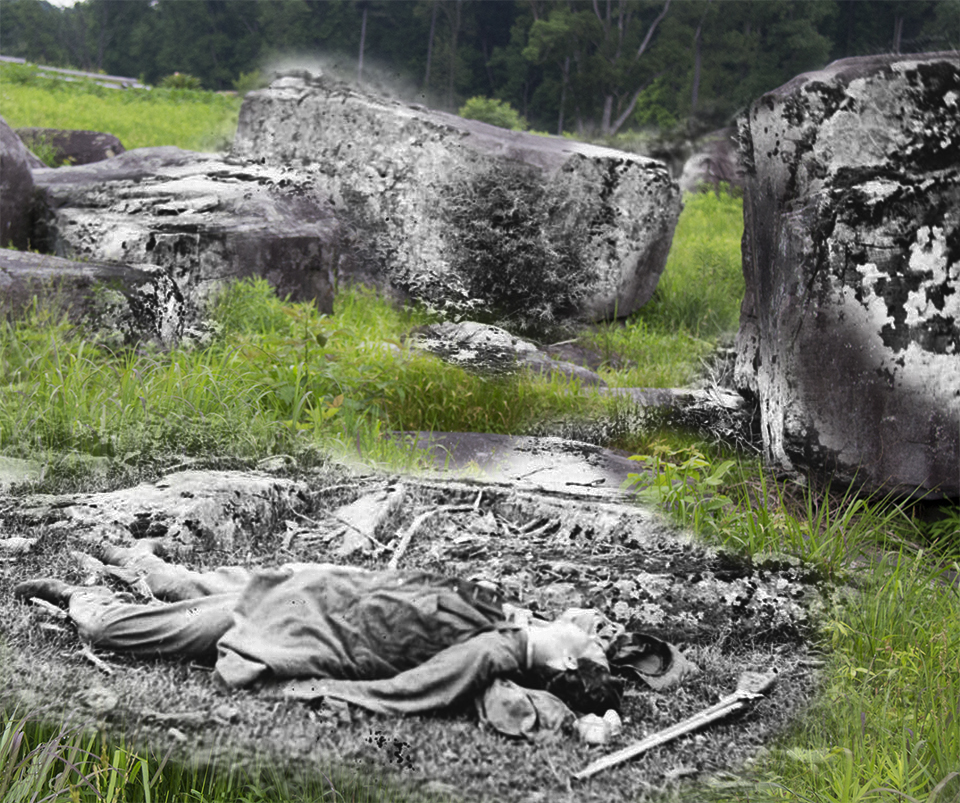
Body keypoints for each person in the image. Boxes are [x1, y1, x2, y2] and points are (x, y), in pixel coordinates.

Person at [14, 539, 634, 732]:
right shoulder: (509, 614)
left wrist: (317, 691)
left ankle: (80, 595)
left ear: (561, 660)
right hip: (313, 589)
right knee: (185, 582)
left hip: (296, 627)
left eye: (591, 644)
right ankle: (131, 557)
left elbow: (413, 689)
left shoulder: (500, 650)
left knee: (118, 626)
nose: (594, 632)